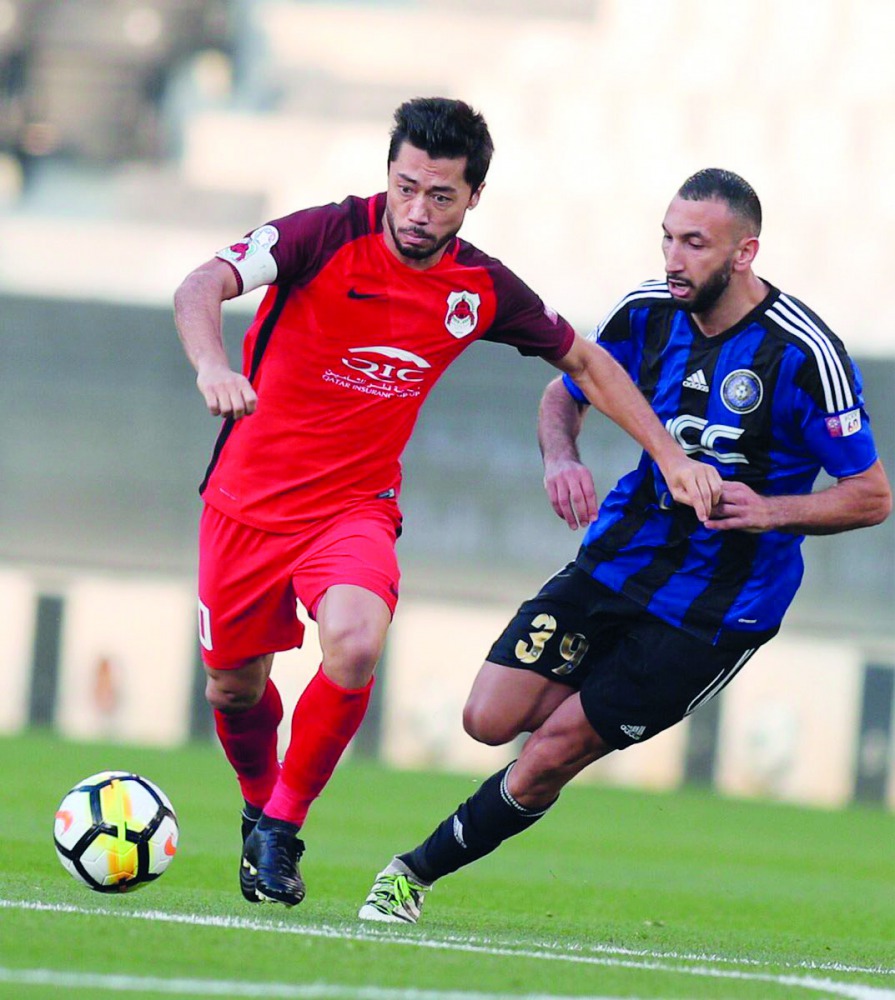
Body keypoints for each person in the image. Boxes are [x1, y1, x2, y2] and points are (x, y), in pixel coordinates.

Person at [173, 98, 720, 908]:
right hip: (244, 505)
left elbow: (589, 362)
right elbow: (201, 283)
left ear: (472, 199)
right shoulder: (323, 235)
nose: (416, 211)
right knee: (233, 690)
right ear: (387, 177)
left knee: (354, 647)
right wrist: (212, 365)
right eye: (405, 187)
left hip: (352, 510)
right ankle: (258, 805)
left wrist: (668, 455)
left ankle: (283, 827)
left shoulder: (481, 286)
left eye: (439, 196)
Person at [358, 167, 892, 924]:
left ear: (744, 254)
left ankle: (410, 875)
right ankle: (568, 723)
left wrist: (768, 510)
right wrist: (561, 456)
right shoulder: (645, 314)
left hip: (712, 610)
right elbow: (562, 392)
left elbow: (871, 495)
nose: (673, 258)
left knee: (551, 751)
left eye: (694, 244)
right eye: (668, 238)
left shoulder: (802, 354)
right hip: (615, 562)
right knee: (487, 719)